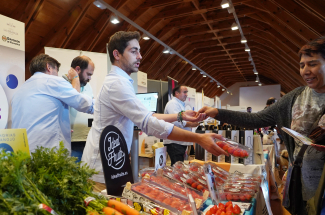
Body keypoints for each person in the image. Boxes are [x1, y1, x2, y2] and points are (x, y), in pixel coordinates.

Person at [199, 36, 325, 215]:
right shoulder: (295, 97)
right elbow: (256, 119)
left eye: (313, 64)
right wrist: (216, 112)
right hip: (306, 184)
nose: (306, 71)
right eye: (302, 65)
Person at [81, 31, 226, 188]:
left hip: (112, 164)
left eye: (139, 51)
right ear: (117, 54)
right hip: (101, 169)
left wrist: (180, 116)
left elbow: (148, 115)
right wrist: (198, 138)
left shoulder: (121, 82)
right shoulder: (117, 84)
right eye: (133, 51)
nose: (140, 56)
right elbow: (148, 123)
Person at [11, 54, 94, 153]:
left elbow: (40, 117)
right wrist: (104, 105)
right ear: (48, 67)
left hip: (21, 150)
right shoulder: (52, 81)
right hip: (45, 152)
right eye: (56, 71)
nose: (57, 76)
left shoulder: (20, 90)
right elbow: (81, 102)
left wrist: (63, 128)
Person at [61, 56, 95, 162]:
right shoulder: (62, 83)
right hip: (71, 143)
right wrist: (75, 79)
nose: (90, 78)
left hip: (88, 140)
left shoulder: (87, 86)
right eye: (88, 74)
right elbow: (75, 99)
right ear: (77, 70)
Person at [163, 85, 199, 165]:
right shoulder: (173, 104)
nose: (186, 94)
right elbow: (177, 122)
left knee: (179, 167)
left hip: (179, 141)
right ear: (176, 93)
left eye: (187, 92)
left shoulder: (180, 105)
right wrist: (192, 123)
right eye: (184, 92)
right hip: (175, 142)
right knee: (177, 168)